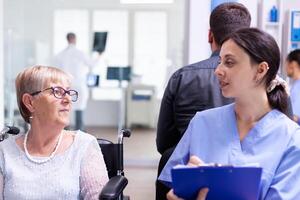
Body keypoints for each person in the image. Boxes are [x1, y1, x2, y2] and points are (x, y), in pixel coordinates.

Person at [159, 28, 300, 200]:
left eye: (229, 62)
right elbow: (172, 186)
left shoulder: (291, 139)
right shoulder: (202, 122)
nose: (218, 70)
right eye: (220, 61)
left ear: (261, 70)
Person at [156, 2, 251, 198]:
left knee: (167, 157)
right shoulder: (267, 82)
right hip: (246, 179)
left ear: (210, 35)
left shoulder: (182, 77)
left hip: (189, 174)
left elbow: (164, 142)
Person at [0, 65, 108, 199]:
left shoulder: (84, 146)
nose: (67, 99)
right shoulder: (4, 151)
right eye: (57, 91)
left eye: (68, 92)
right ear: (30, 102)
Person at [54, 32, 93, 131]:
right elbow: (91, 64)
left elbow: (56, 72)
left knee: (65, 109)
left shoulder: (60, 55)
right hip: (79, 85)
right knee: (79, 108)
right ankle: (79, 133)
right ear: (75, 39)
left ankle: (65, 133)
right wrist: (100, 55)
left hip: (66, 86)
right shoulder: (80, 53)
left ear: (67, 39)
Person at [285, 49, 300, 124]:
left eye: (286, 63)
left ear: (293, 64)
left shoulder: (298, 87)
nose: (285, 67)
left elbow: (294, 117)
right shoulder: (295, 85)